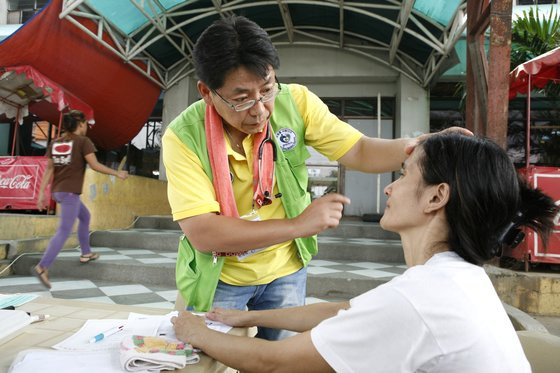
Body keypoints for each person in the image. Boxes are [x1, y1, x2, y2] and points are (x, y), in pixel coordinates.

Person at [162, 15, 469, 341]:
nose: (260, 110)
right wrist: (300, 225)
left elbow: (361, 150)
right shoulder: (183, 137)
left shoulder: (295, 102)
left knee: (281, 356)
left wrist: (421, 145)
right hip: (220, 276)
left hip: (285, 270)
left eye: (267, 90)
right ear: (206, 92)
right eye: (241, 99)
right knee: (210, 360)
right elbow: (204, 233)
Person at [171, 133, 558, 372]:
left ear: (437, 197)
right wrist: (251, 315)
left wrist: (194, 330)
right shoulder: (452, 275)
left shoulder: (420, 299)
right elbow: (347, 311)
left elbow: (273, 362)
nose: (390, 189)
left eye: (404, 174)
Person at [34, 110, 128, 289]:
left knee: (84, 217)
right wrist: (117, 173)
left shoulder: (56, 142)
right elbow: (95, 165)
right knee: (64, 231)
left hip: (59, 192)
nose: (86, 128)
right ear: (81, 124)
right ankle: (42, 266)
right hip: (70, 193)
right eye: (85, 124)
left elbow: (48, 170)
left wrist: (41, 194)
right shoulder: (83, 142)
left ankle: (86, 253)